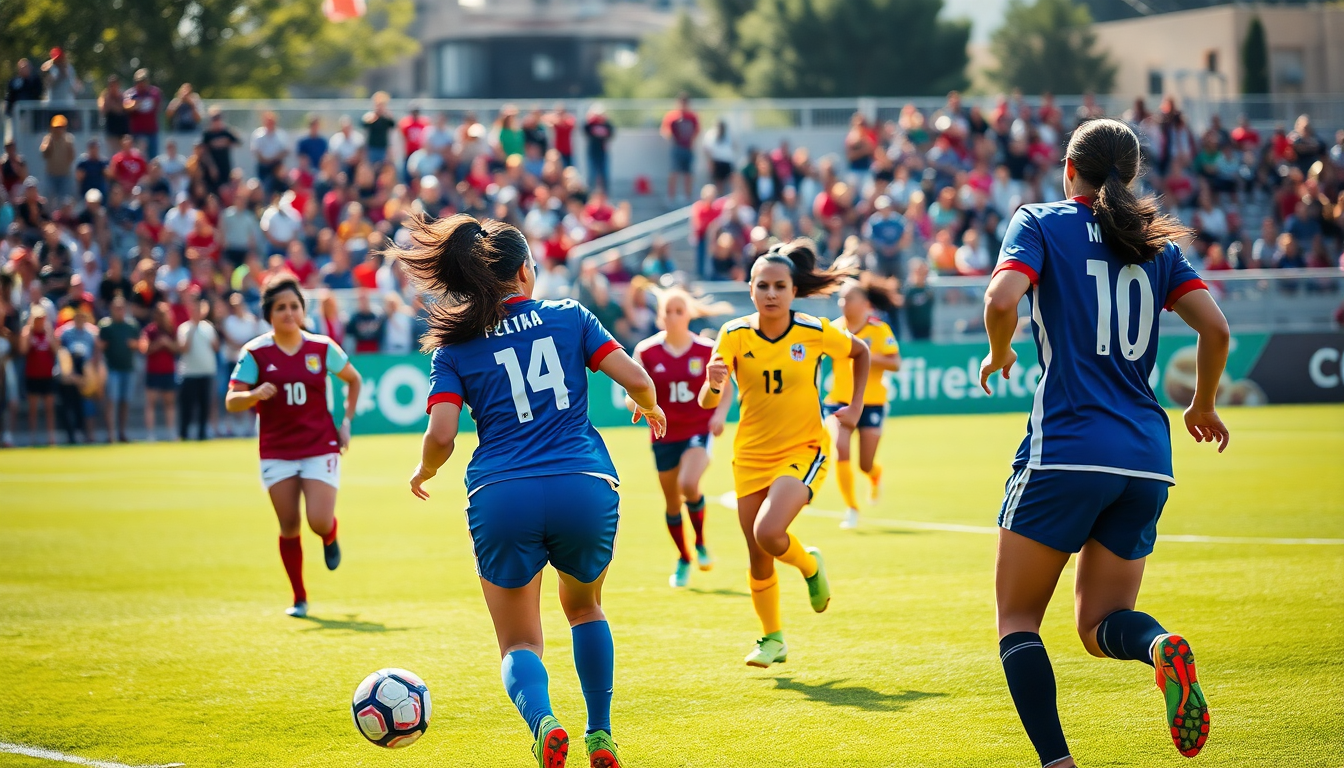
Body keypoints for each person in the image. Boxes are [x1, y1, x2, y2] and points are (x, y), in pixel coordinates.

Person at [979, 118, 1230, 768]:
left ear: (1069, 169)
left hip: (1065, 448)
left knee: (1018, 623)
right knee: (1099, 627)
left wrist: (998, 351)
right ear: (1133, 175)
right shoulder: (1155, 244)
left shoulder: (1040, 220)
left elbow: (1002, 296)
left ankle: (1059, 764)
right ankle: (1159, 647)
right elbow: (1216, 330)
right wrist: (1201, 404)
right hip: (1147, 457)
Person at [405, 214, 665, 768]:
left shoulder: (454, 347)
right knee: (586, 609)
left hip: (503, 496)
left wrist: (425, 472)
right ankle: (600, 733)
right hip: (583, 485)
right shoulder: (570, 316)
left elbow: (442, 435)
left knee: (520, 642)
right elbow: (638, 380)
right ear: (526, 271)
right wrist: (650, 408)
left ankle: (544, 722)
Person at [698, 239, 870, 667]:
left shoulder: (814, 331)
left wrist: (857, 404)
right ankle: (772, 639)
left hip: (804, 448)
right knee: (758, 556)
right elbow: (706, 401)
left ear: (794, 291)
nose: (771, 293)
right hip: (750, 455)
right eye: (763, 286)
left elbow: (860, 351)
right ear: (750, 289)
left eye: (779, 286)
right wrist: (714, 382)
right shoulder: (733, 335)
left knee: (770, 533)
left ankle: (810, 566)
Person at [226, 274, 362, 617]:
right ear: (268, 314)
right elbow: (231, 400)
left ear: (303, 310)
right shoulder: (255, 352)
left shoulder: (322, 347)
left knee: (317, 520)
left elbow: (353, 379)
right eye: (280, 307)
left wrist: (345, 423)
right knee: (289, 525)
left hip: (320, 445)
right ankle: (299, 598)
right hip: (276, 449)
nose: (288, 313)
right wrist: (253, 394)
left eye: (294, 306)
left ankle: (330, 535)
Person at [632, 287, 734, 588]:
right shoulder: (646, 351)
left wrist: (718, 414)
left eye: (680, 310)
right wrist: (638, 403)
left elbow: (726, 386)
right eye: (668, 311)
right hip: (663, 434)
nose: (674, 316)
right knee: (672, 503)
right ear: (660, 317)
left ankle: (701, 542)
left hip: (697, 430)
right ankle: (684, 558)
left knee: (689, 483)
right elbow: (633, 389)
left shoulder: (706, 349)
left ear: (689, 314)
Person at [825, 276, 901, 530]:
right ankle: (852, 508)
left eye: (850, 298)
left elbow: (895, 363)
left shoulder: (879, 330)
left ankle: (874, 474)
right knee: (840, 448)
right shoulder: (833, 330)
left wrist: (866, 355)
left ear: (865, 303)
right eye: (841, 298)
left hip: (871, 403)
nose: (844, 303)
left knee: (864, 463)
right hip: (838, 402)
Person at [177, 297, 219, 441]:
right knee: (187, 407)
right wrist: (193, 329)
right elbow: (184, 348)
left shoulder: (208, 327)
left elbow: (216, 347)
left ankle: (202, 434)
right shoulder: (184, 328)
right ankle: (183, 434)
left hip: (206, 372)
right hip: (190, 373)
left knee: (204, 406)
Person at [98, 296, 139, 442]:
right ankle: (111, 434)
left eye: (122, 308)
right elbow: (100, 347)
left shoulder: (132, 326)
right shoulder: (106, 326)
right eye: (117, 308)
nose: (119, 311)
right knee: (111, 401)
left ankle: (122, 432)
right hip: (112, 369)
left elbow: (139, 344)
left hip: (128, 368)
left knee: (124, 402)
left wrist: (134, 345)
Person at [19, 305, 58, 446]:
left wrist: (49, 334)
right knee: (33, 409)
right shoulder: (27, 333)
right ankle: (32, 438)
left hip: (47, 374)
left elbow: (55, 350)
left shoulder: (48, 332)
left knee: (49, 408)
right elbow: (23, 350)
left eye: (42, 319)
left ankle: (51, 437)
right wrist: (28, 334)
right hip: (32, 374)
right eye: (37, 319)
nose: (40, 322)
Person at [140, 301, 179, 441]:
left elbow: (178, 348)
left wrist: (167, 343)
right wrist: (158, 344)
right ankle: (150, 435)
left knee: (170, 403)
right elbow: (144, 348)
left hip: (168, 371)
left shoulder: (171, 330)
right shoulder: (149, 330)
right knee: (150, 403)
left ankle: (171, 433)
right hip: (153, 371)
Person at [661, 93, 699, 203]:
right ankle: (671, 196)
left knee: (688, 174)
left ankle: (687, 196)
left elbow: (696, 131)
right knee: (674, 172)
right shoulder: (672, 116)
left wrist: (691, 142)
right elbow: (665, 129)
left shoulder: (692, 116)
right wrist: (669, 136)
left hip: (688, 148)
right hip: (677, 147)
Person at [123, 69, 163, 159]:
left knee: (153, 157)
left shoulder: (154, 92)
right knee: (138, 156)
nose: (141, 83)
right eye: (139, 81)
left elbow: (157, 105)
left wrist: (138, 103)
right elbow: (127, 106)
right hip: (137, 131)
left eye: (143, 81)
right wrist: (136, 104)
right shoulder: (130, 93)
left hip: (151, 130)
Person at [40, 115, 77, 202]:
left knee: (64, 199)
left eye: (61, 127)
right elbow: (44, 153)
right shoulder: (48, 139)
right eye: (56, 127)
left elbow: (72, 157)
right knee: (48, 198)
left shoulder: (69, 139)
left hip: (65, 175)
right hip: (51, 174)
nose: (58, 130)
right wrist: (50, 143)